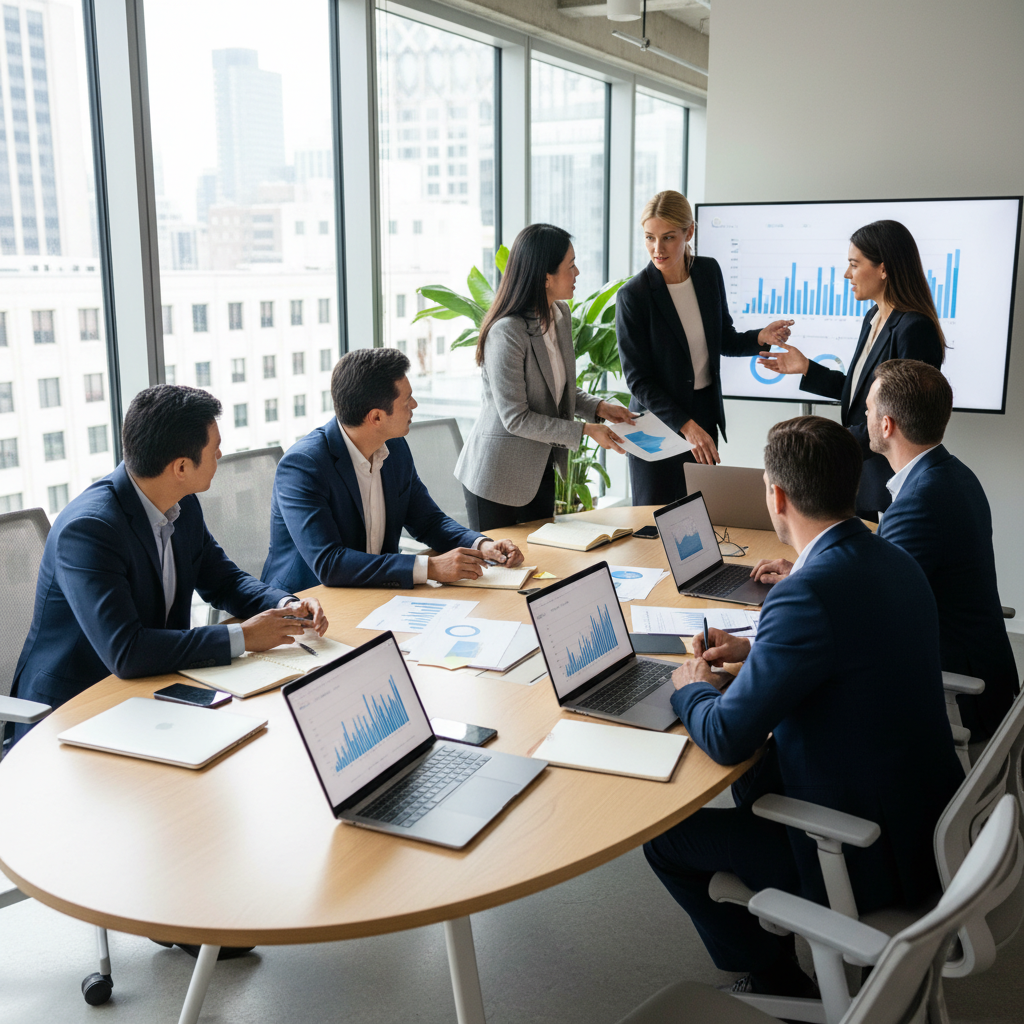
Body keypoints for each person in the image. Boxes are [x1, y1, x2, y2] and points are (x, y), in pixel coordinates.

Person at [643, 416, 963, 997]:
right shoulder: (892, 556)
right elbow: (850, 647)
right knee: (758, 780)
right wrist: (757, 649)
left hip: (858, 851)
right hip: (920, 827)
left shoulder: (805, 591)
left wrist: (689, 684)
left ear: (777, 495)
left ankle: (779, 982)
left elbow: (726, 739)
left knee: (666, 840)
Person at [13, 385, 327, 735]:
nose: (221, 454)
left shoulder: (181, 502)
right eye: (214, 447)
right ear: (180, 466)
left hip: (155, 689)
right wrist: (243, 636)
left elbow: (224, 581)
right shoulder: (89, 530)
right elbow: (127, 652)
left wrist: (287, 606)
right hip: (76, 710)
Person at [749, 359, 1019, 741]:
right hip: (987, 668)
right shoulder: (952, 474)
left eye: (869, 410)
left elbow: (867, 602)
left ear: (887, 425)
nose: (865, 417)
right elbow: (871, 578)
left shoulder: (920, 502)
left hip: (960, 694)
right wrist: (802, 571)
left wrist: (775, 627)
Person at [261, 347, 524, 592]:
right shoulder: (303, 466)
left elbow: (428, 521)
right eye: (407, 400)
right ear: (376, 417)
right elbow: (330, 563)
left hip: (378, 591)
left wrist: (481, 545)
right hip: (307, 605)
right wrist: (430, 568)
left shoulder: (394, 448)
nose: (415, 406)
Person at [616, 190, 794, 507]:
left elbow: (723, 339)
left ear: (689, 232)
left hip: (702, 414)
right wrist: (687, 426)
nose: (657, 249)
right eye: (649, 238)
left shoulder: (708, 273)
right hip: (658, 423)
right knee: (656, 521)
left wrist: (760, 337)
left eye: (668, 237)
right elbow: (638, 380)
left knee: (702, 516)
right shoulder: (634, 295)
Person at [757, 219, 944, 518]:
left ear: (883, 269)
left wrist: (833, 447)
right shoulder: (873, 316)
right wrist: (807, 368)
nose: (847, 274)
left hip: (886, 479)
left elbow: (899, 415)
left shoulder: (914, 329)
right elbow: (862, 395)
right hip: (864, 475)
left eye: (854, 265)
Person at [455, 224, 637, 530]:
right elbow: (516, 418)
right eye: (571, 266)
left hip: (538, 468)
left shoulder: (561, 315)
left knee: (544, 564)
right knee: (502, 573)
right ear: (545, 277)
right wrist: (585, 431)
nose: (577, 272)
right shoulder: (507, 332)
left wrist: (599, 408)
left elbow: (558, 389)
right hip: (496, 477)